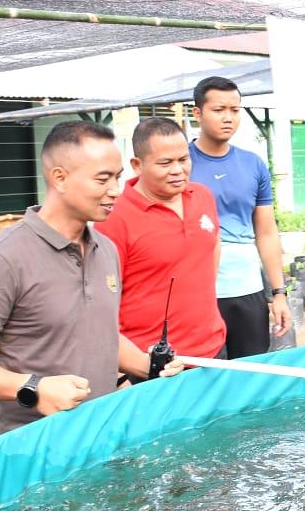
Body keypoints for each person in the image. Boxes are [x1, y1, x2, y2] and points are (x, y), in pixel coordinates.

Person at [0, 121, 181, 439]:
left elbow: (96, 332)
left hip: (100, 437)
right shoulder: (3, 259)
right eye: (103, 179)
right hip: (31, 445)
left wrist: (147, 364)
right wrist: (33, 388)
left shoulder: (105, 249)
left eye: (118, 177)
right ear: (60, 178)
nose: (116, 190)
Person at [94, 117, 226, 365]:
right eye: (165, 163)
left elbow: (213, 247)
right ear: (137, 165)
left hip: (212, 350)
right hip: (150, 361)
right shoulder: (114, 217)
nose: (177, 170)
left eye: (183, 159)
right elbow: (101, 300)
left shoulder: (202, 196)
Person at [185, 76, 292, 358]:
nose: (228, 118)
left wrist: (278, 293)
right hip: (197, 294)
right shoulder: (180, 164)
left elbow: (266, 233)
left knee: (250, 371)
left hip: (248, 289)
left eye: (235, 110)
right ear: (197, 113)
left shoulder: (253, 164)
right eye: (218, 110)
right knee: (203, 372)